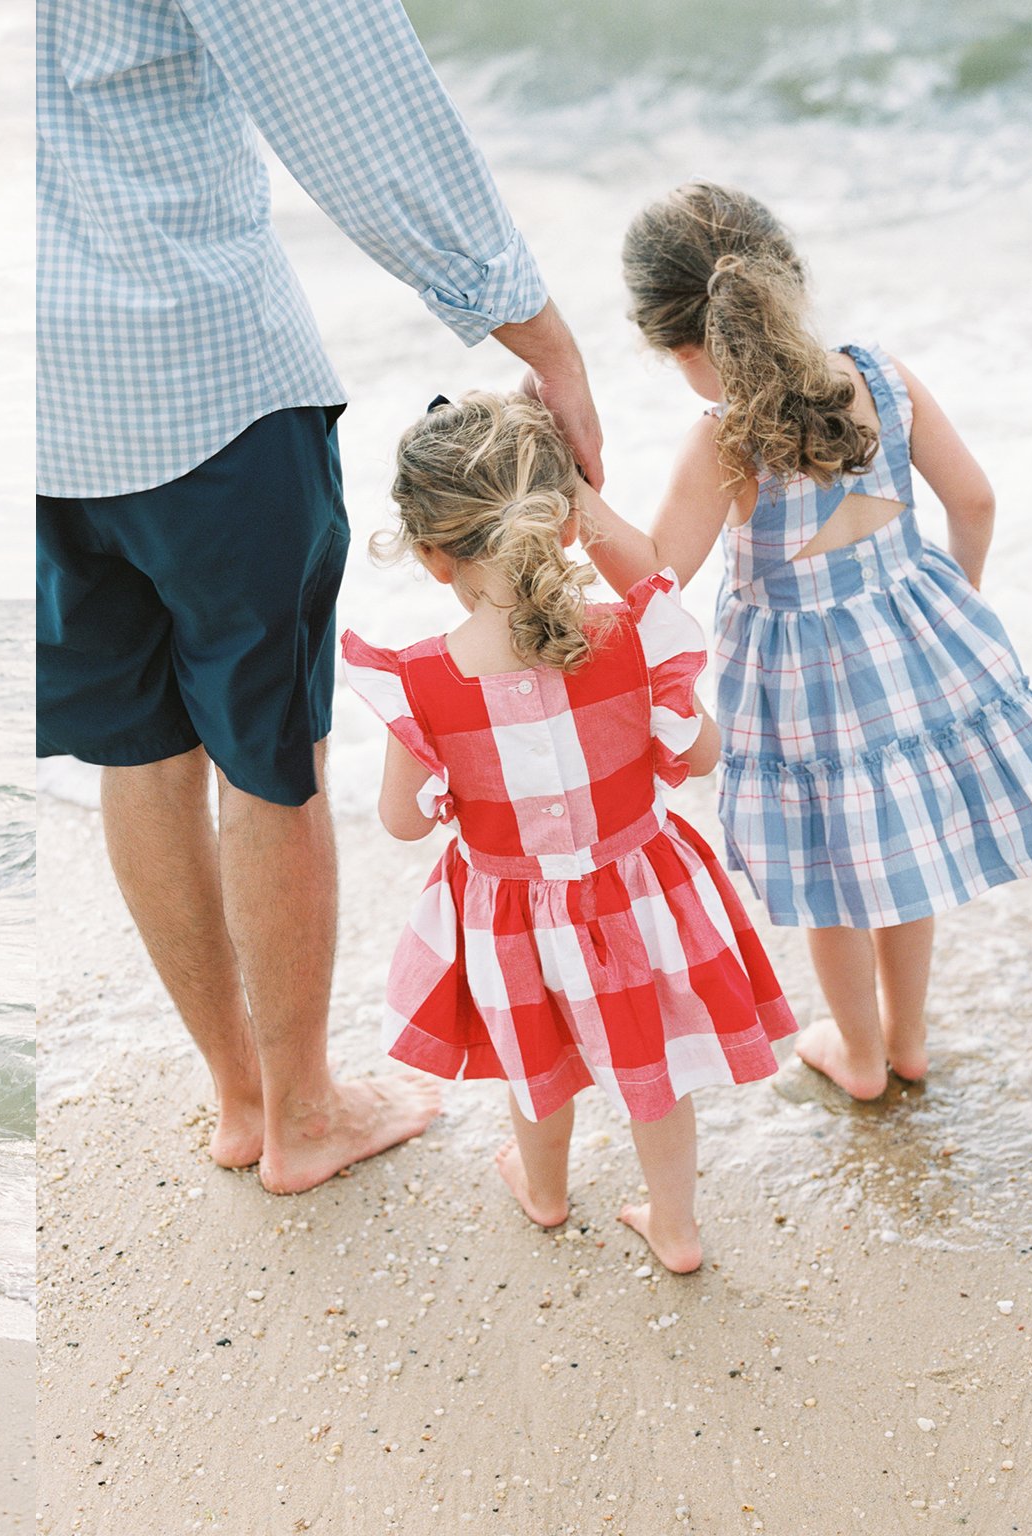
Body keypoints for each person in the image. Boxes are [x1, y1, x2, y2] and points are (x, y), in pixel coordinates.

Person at [36, 0, 609, 1193]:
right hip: (199, 373)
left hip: (42, 406)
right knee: (265, 750)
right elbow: (355, 105)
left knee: (138, 750)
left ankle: (239, 1100)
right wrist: (540, 337)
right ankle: (301, 1113)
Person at [580, 181, 1032, 1102]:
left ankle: (860, 1054)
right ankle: (907, 1036)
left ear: (680, 346)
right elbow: (977, 500)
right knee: (899, 847)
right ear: (787, 281)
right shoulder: (876, 375)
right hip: (912, 643)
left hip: (796, 688)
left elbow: (654, 574)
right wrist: (951, 601)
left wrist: (574, 497)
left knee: (832, 868)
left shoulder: (725, 441)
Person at [341, 392, 795, 1272]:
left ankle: (545, 1194)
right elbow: (701, 755)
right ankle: (676, 1228)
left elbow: (401, 823)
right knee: (654, 1070)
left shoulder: (425, 682)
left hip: (514, 919)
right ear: (563, 520)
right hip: (641, 896)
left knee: (536, 1063)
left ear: (434, 556)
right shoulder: (630, 637)